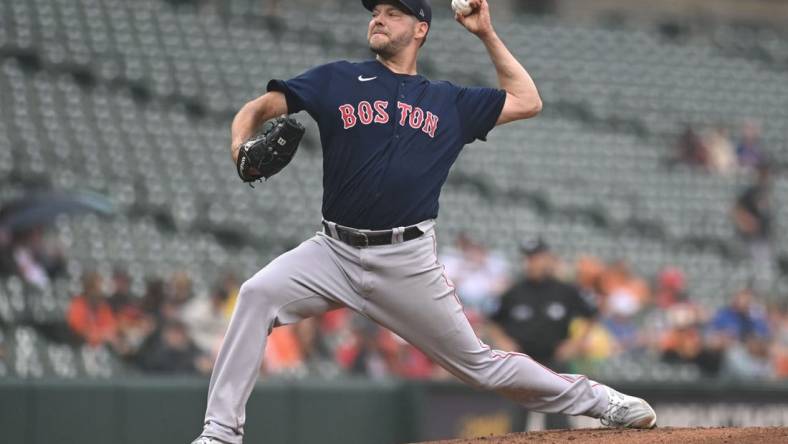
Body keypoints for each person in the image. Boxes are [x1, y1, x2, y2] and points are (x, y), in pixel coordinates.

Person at [192, 2, 655, 443]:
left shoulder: (447, 101)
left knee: (480, 366)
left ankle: (601, 401)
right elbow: (259, 107)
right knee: (255, 295)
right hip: (331, 251)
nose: (379, 18)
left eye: (394, 12)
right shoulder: (337, 79)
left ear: (420, 29)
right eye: (376, 12)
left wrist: (487, 34)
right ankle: (219, 433)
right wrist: (239, 147)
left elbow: (527, 99)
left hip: (405, 260)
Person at [487, 239, 599, 430]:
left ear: (547, 259)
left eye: (536, 257)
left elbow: (591, 315)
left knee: (558, 422)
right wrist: (503, 341)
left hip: (554, 361)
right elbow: (493, 321)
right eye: (529, 258)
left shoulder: (565, 291)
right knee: (517, 422)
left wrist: (575, 344)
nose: (532, 262)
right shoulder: (514, 292)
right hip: (522, 362)